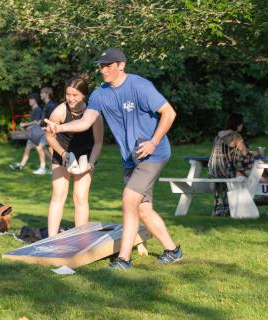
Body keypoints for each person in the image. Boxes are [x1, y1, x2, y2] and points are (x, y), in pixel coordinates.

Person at [45, 48, 182, 269]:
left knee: (129, 199)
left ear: (121, 65)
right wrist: (59, 127)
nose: (104, 69)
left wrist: (154, 141)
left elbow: (169, 113)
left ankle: (123, 259)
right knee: (143, 209)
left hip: (153, 154)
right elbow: (84, 123)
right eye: (101, 66)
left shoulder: (140, 86)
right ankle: (172, 250)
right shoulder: (100, 94)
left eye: (109, 65)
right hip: (130, 158)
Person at [46, 75, 104, 237]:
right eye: (68, 94)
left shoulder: (94, 114)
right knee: (58, 195)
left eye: (75, 95)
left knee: (80, 197)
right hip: (62, 152)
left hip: (85, 154)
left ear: (84, 95)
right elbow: (50, 137)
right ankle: (51, 238)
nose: (70, 99)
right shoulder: (59, 111)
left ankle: (81, 238)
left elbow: (98, 142)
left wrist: (91, 162)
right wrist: (63, 153)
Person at [208, 113, 256, 216]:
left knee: (240, 169)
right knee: (247, 169)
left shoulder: (219, 134)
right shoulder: (235, 136)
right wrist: (256, 153)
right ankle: (241, 206)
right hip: (227, 171)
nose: (242, 126)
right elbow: (244, 153)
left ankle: (222, 208)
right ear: (237, 124)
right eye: (241, 124)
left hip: (214, 171)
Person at [9, 93, 48, 175]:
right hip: (34, 132)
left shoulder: (37, 109)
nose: (30, 101)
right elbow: (35, 123)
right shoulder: (34, 109)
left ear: (35, 100)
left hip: (37, 132)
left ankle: (43, 168)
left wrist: (25, 124)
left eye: (32, 99)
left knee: (40, 149)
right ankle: (21, 165)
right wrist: (28, 127)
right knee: (28, 149)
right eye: (29, 99)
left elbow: (36, 122)